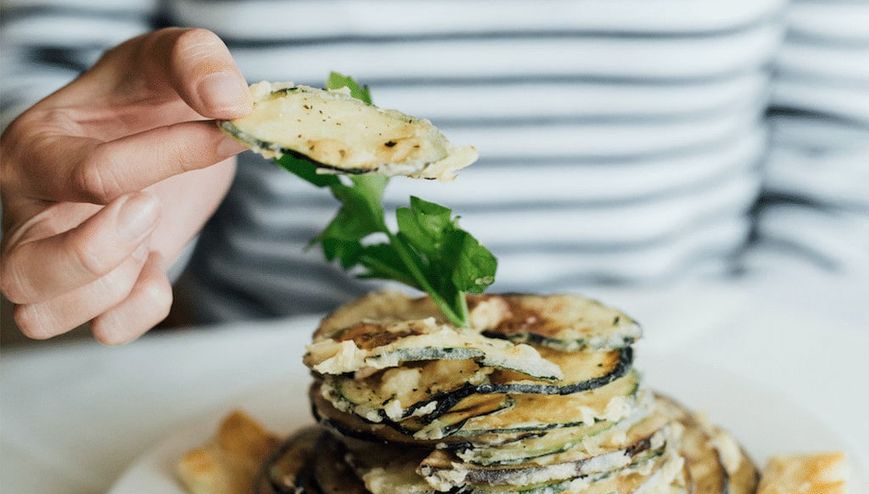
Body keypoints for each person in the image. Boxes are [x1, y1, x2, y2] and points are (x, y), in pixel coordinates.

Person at [2, 1, 866, 344]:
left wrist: (751, 359)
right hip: (262, 361)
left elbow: (842, 146)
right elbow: (44, 64)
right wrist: (88, 195)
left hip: (701, 343)